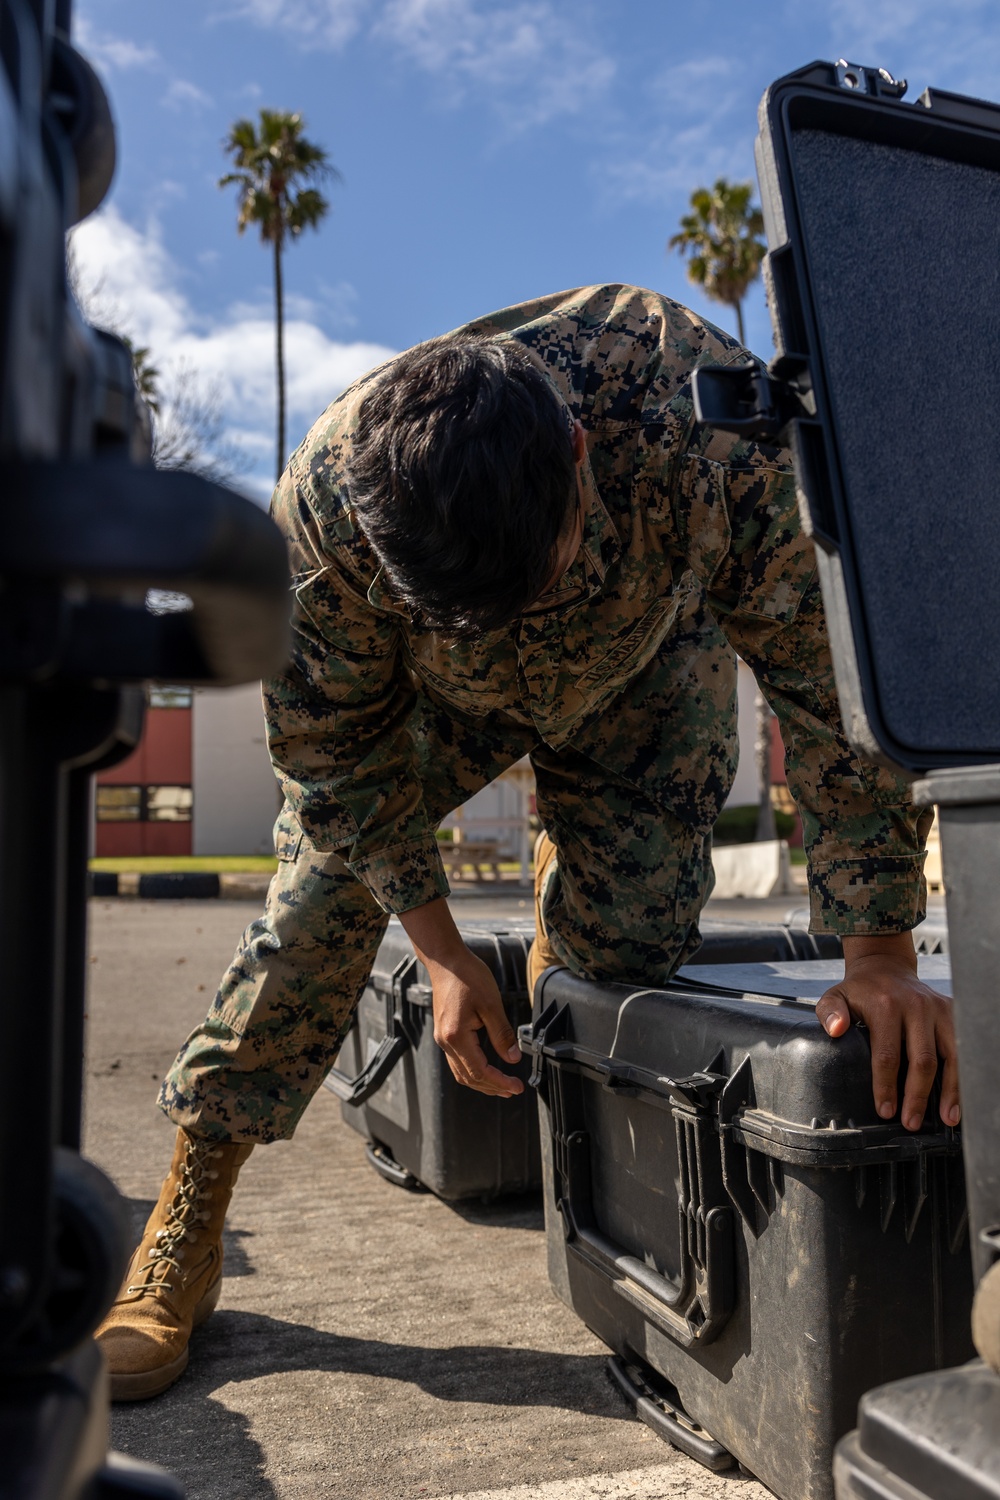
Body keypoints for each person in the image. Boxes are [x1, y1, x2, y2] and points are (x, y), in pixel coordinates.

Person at [96, 284, 957, 1400]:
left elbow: (828, 679)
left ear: (583, 454)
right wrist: (443, 950)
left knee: (621, 953)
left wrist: (878, 951)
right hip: (433, 697)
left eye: (537, 574)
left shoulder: (703, 423)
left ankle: (595, 1181)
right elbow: (334, 766)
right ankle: (186, 1222)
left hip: (641, 674)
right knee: (313, 908)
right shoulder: (320, 520)